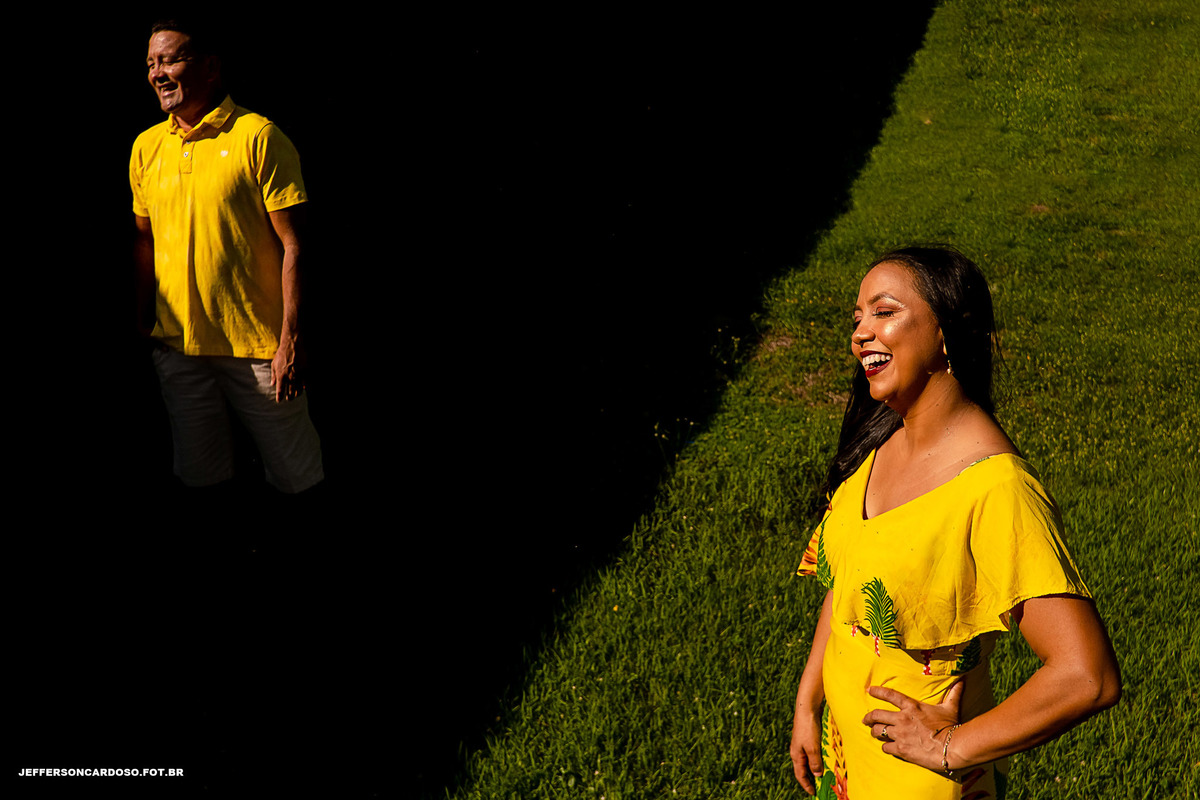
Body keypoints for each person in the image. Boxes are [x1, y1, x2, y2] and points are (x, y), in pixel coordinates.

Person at [789, 246, 1120, 799]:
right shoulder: (879, 448)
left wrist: (950, 748)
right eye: (858, 318)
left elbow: (1086, 676)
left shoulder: (996, 489)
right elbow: (846, 586)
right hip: (848, 756)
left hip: (917, 781)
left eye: (884, 311)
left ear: (946, 332)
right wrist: (809, 702)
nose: (861, 334)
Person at [130, 19, 323, 494]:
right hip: (180, 352)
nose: (158, 73)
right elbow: (143, 242)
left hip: (258, 352)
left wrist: (290, 344)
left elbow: (296, 246)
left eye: (171, 59)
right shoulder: (146, 146)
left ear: (211, 68)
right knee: (202, 481)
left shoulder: (258, 137)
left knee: (299, 481)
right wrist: (144, 323)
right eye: (152, 62)